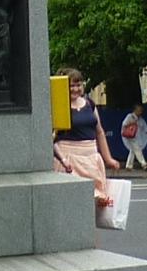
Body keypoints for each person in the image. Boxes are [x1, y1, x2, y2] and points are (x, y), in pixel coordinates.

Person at [51, 68, 120, 209]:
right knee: (72, 204)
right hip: (69, 159)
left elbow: (99, 132)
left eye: (79, 85)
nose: (76, 89)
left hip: (92, 158)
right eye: (71, 85)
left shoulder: (89, 103)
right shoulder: (58, 107)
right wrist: (63, 159)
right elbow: (51, 138)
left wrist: (108, 159)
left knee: (94, 203)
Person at [120, 103, 147, 170]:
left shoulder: (140, 119)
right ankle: (144, 164)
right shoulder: (130, 116)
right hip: (130, 136)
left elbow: (143, 127)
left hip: (135, 136)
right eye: (139, 110)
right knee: (137, 149)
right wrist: (132, 123)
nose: (140, 112)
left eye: (141, 111)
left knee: (133, 150)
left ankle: (128, 166)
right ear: (135, 110)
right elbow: (124, 124)